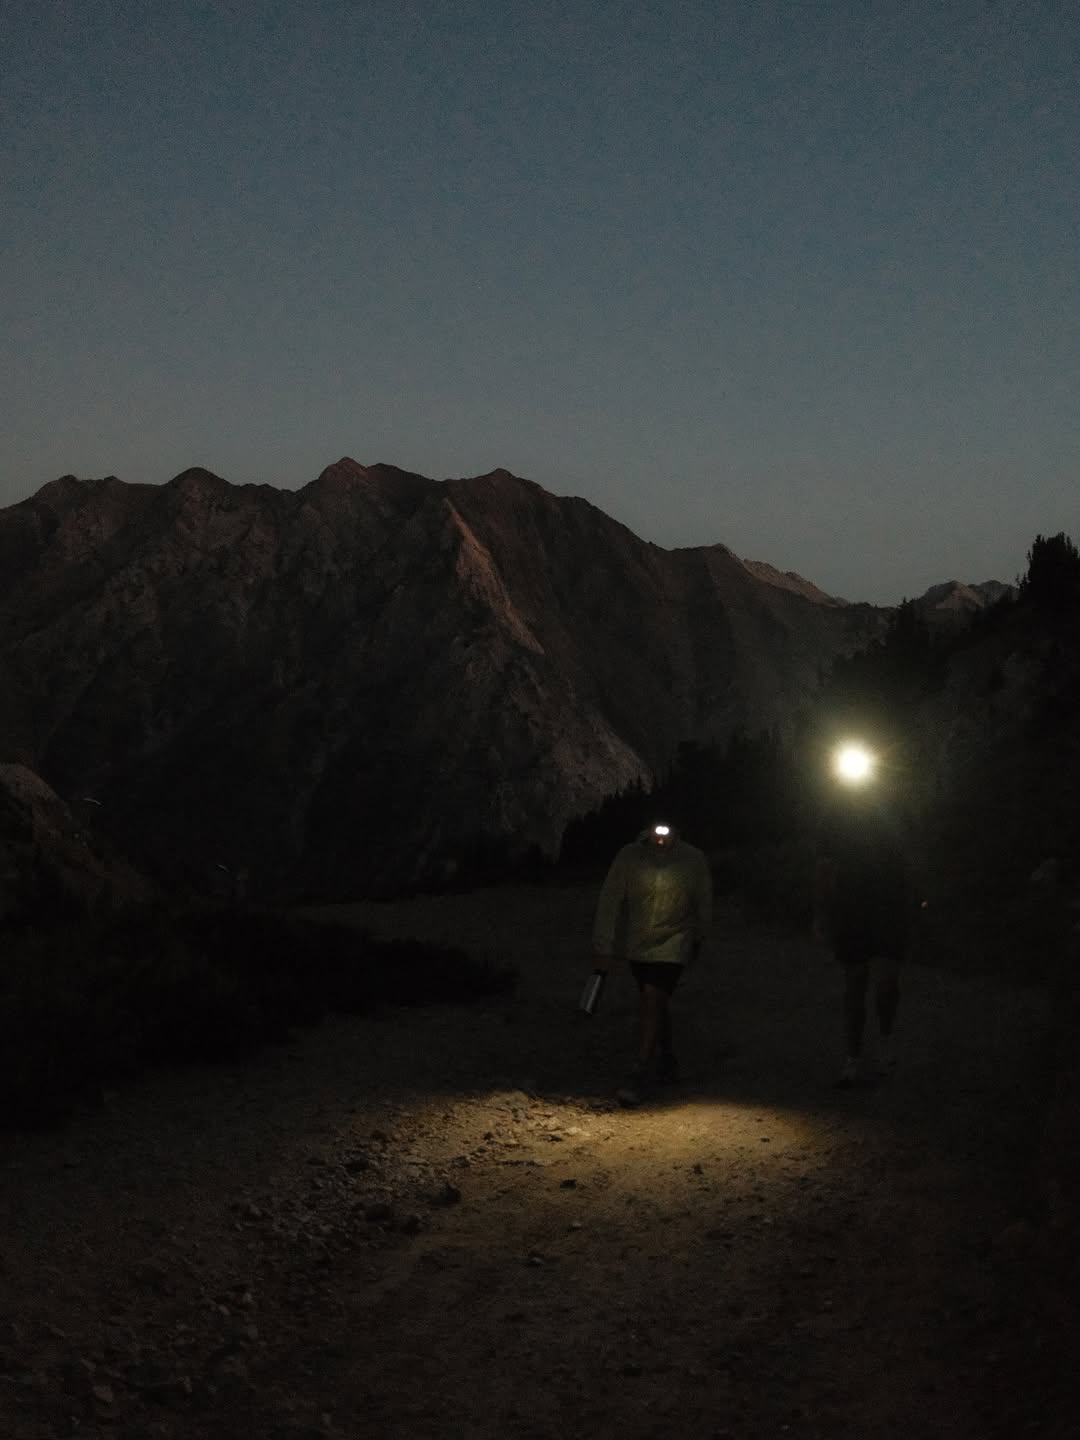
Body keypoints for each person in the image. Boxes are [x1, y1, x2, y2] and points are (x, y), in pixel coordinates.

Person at [592, 822, 713, 1106]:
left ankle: (639, 1071)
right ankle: (667, 1058)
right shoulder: (629, 857)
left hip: (674, 943)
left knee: (652, 998)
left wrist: (699, 937)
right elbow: (610, 899)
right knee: (656, 1003)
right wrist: (603, 945)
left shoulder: (693, 860)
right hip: (638, 946)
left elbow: (703, 901)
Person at [813, 747, 913, 1087]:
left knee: (886, 982)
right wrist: (823, 911)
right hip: (852, 907)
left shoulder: (897, 810)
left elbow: (911, 858)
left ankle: (884, 1043)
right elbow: (824, 865)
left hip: (889, 906)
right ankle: (853, 1058)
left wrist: (916, 901)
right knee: (855, 983)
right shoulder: (835, 814)